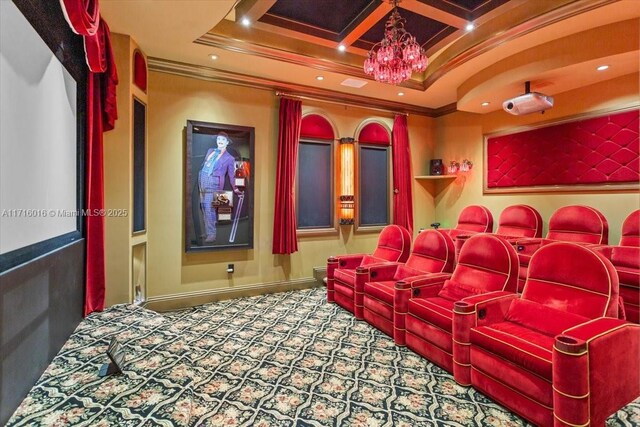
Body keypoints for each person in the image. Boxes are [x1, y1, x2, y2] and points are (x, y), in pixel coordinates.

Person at [198, 132, 241, 243]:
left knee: (209, 208)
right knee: (203, 207)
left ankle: (212, 234)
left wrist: (236, 188)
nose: (220, 141)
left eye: (223, 139)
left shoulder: (229, 158)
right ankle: (208, 231)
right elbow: (205, 164)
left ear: (227, 142)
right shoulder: (210, 151)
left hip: (214, 182)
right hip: (202, 178)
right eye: (218, 139)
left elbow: (231, 175)